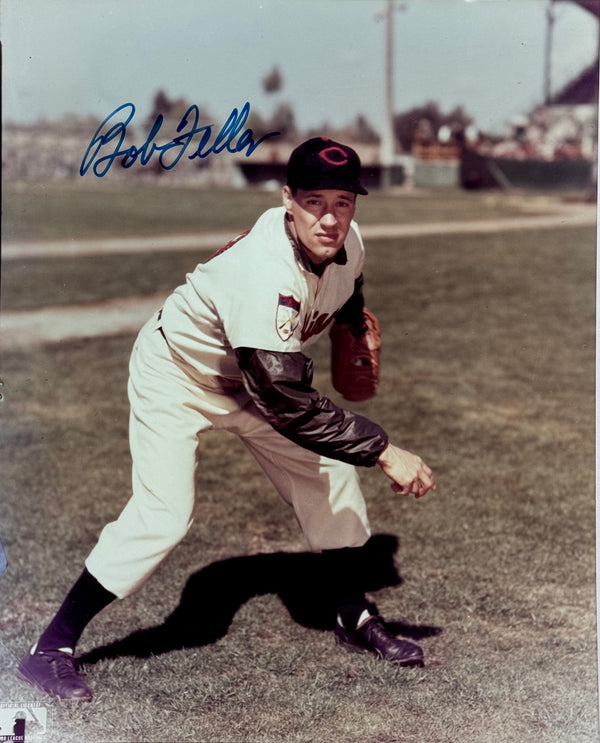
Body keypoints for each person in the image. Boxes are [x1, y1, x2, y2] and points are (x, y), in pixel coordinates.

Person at [18, 137, 435, 702]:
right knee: (163, 516)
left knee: (330, 478)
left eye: (343, 202)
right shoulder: (263, 273)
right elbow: (285, 402)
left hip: (252, 379)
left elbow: (349, 286)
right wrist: (384, 449)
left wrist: (352, 320)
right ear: (288, 199)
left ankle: (353, 616)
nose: (330, 218)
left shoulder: (348, 242)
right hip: (178, 373)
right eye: (314, 201)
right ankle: (51, 650)